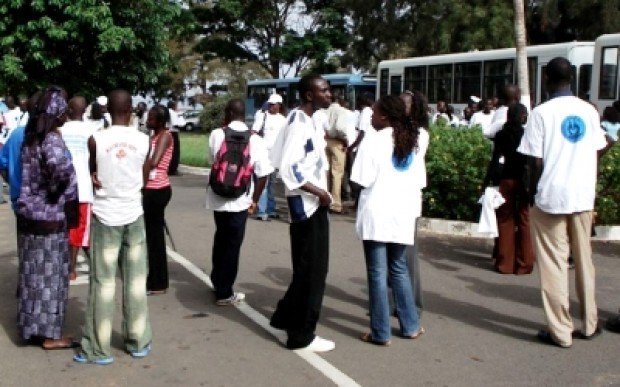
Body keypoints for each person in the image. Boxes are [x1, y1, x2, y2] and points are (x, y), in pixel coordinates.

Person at [518, 57, 607, 348]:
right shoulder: (588, 111)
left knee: (554, 265)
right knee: (584, 261)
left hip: (551, 196)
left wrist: (531, 192)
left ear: (546, 79)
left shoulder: (541, 113)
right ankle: (590, 323)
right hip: (582, 195)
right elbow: (598, 148)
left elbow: (534, 161)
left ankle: (561, 332)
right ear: (572, 79)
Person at [75, 89, 152, 365]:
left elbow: (93, 173)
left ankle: (97, 347)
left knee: (103, 282)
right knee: (135, 280)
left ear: (108, 111)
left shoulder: (96, 139)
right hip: (134, 213)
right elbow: (143, 178)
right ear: (131, 110)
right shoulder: (145, 140)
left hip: (106, 214)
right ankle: (138, 340)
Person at [351, 95, 425, 346]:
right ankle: (411, 325)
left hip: (377, 211)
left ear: (384, 117)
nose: (370, 116)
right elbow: (420, 181)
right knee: (399, 268)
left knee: (377, 273)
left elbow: (361, 179)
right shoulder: (413, 140)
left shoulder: (373, 140)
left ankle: (381, 332)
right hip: (402, 213)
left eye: (373, 112)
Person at [269, 74, 335, 352]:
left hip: (313, 203)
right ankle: (301, 336)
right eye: (324, 90)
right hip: (307, 206)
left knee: (307, 269)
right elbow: (289, 167)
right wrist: (320, 193)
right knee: (313, 272)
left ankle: (285, 317)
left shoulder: (309, 120)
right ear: (309, 95)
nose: (329, 94)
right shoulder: (297, 122)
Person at [15, 86, 78, 349]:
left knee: (32, 275)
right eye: (62, 109)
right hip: (50, 216)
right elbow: (60, 169)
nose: (66, 114)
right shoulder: (51, 139)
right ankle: (50, 335)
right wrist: (54, 191)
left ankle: (31, 328)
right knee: (52, 277)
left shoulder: (31, 138)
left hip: (29, 216)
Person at [206, 99, 273, 305]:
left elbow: (212, 162)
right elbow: (263, 175)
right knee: (233, 245)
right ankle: (225, 293)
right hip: (241, 199)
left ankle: (218, 281)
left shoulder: (217, 134)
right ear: (245, 115)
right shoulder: (255, 139)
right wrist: (254, 200)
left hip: (218, 197)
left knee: (221, 239)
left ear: (227, 112)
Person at [489, 103, 535, 274]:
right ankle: (524, 263)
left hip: (506, 179)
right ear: (522, 116)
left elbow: (494, 160)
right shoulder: (525, 134)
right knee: (524, 220)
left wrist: (487, 181)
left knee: (505, 220)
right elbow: (532, 161)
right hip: (522, 180)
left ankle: (504, 264)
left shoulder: (501, 134)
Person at [400, 90, 430, 317]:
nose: (401, 106)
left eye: (405, 104)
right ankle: (398, 301)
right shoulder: (396, 131)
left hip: (408, 198)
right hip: (396, 197)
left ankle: (411, 304)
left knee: (407, 254)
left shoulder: (419, 134)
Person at [59, 96, 96, 281]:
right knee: (81, 230)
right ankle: (74, 268)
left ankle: (68, 267)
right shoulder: (91, 131)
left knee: (66, 229)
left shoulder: (60, 130)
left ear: (69, 110)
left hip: (64, 188)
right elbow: (95, 159)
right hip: (83, 187)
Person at [144, 105, 173, 294]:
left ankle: (158, 282)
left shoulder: (165, 136)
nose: (147, 120)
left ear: (161, 121)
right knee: (152, 237)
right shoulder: (153, 136)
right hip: (150, 188)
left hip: (158, 189)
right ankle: (155, 278)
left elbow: (154, 161)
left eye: (152, 118)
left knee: (155, 238)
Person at [251, 94, 286, 220]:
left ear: (279, 105)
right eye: (270, 104)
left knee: (271, 183)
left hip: (275, 155)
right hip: (263, 154)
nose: (271, 106)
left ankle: (270, 208)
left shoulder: (283, 119)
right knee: (263, 183)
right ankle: (261, 210)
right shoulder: (262, 116)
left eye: (273, 104)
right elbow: (254, 132)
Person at [325, 97, 355, 214]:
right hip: (337, 142)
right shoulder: (340, 111)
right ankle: (335, 204)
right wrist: (345, 140)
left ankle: (325, 200)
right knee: (337, 174)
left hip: (325, 141)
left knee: (326, 173)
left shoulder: (323, 111)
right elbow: (340, 128)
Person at [167, 100, 184, 175]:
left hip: (167, 132)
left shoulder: (166, 111)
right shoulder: (173, 113)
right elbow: (175, 124)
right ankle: (173, 169)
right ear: (173, 106)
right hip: (173, 132)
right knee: (175, 152)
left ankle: (169, 168)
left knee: (169, 151)